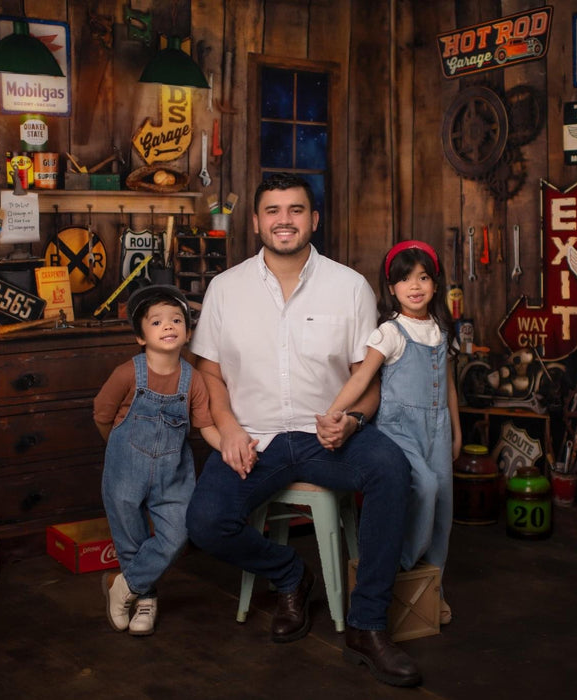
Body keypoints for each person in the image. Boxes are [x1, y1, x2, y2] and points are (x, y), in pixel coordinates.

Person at [186, 173, 421, 687]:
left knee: (392, 470)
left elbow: (369, 380)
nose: (284, 220)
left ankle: (367, 625)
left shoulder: (349, 286)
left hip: (327, 438)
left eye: (296, 209)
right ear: (256, 222)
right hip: (256, 438)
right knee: (204, 524)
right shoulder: (226, 289)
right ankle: (291, 574)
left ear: (314, 219)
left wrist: (353, 421)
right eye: (273, 210)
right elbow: (208, 373)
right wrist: (226, 429)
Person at [324, 240, 462, 625]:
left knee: (444, 510)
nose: (414, 286)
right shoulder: (390, 332)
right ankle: (402, 564)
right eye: (404, 279)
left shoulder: (440, 329)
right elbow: (363, 377)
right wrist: (334, 412)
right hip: (399, 429)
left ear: (435, 284)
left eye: (423, 278)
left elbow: (448, 383)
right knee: (426, 489)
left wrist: (456, 430)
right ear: (391, 287)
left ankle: (433, 586)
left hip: (438, 426)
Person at [93, 285, 220, 637]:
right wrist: (118, 450)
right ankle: (146, 596)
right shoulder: (126, 374)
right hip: (125, 471)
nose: (168, 326)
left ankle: (126, 585)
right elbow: (102, 416)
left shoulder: (193, 380)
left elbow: (206, 424)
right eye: (157, 321)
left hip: (173, 475)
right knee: (130, 539)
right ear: (140, 335)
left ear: (188, 332)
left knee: (178, 533)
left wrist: (231, 447)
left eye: (176, 320)